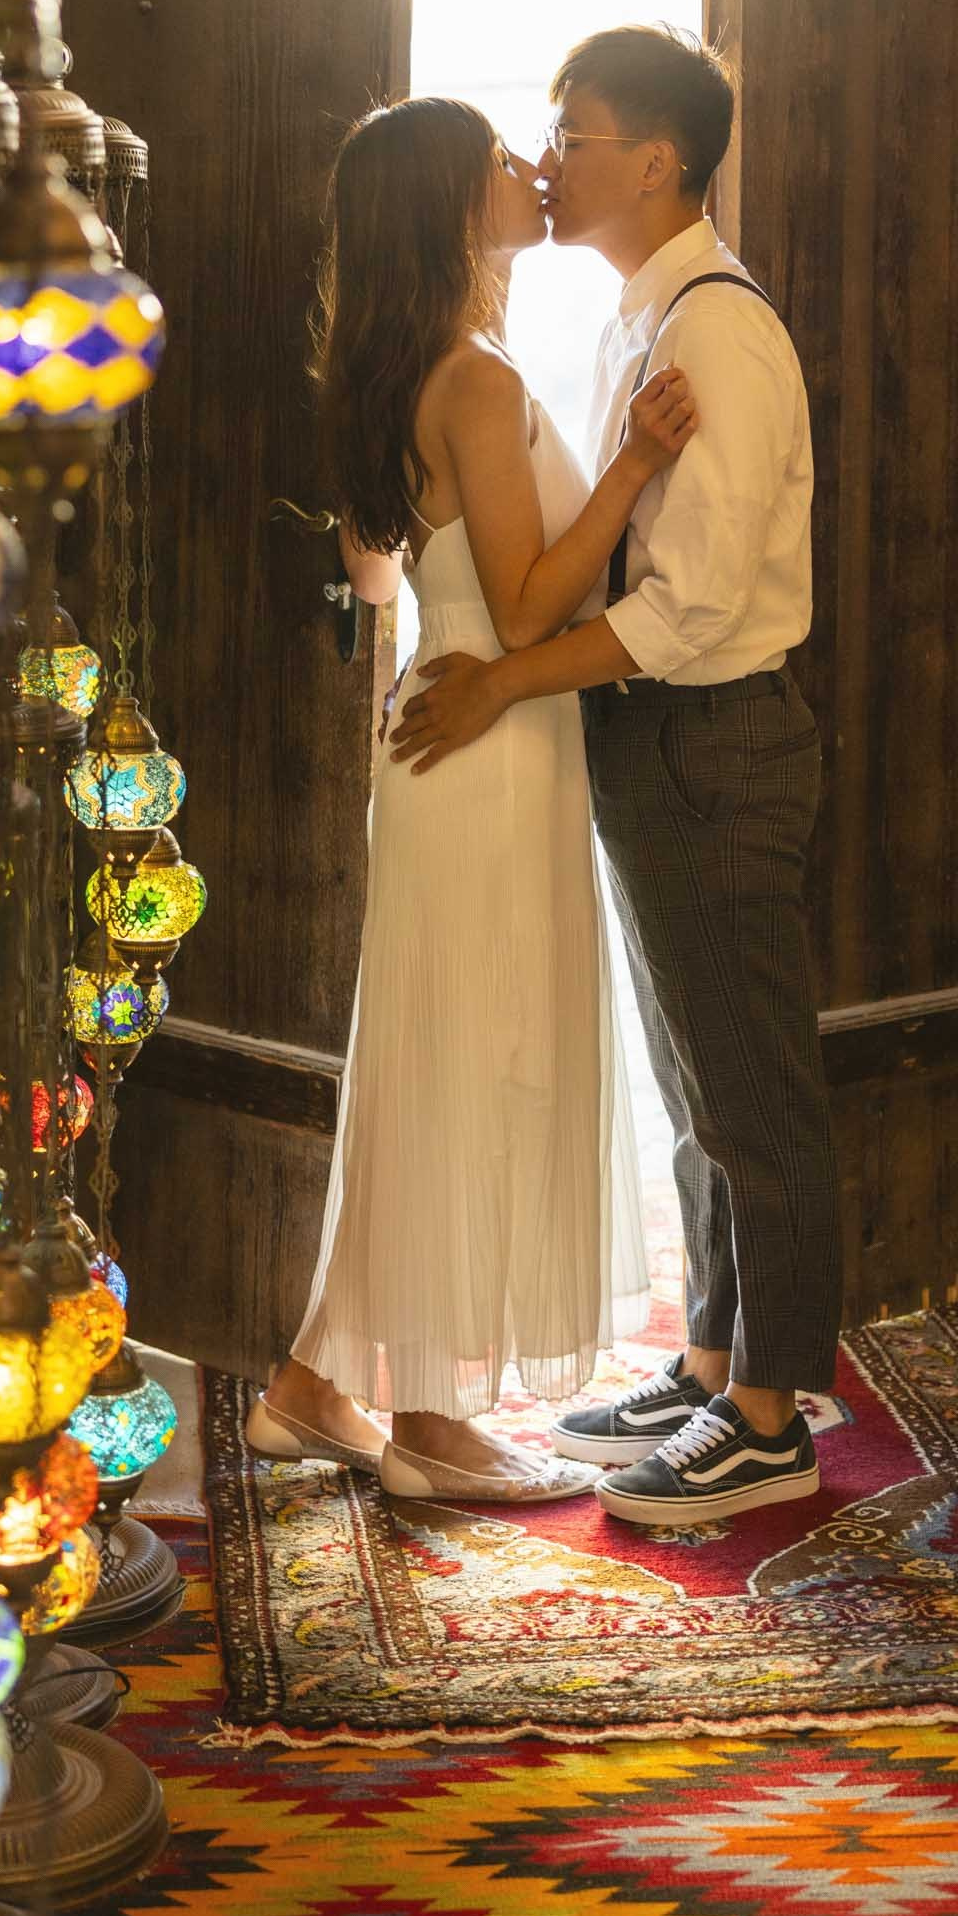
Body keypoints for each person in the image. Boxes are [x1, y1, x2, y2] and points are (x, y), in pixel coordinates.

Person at [390, 27, 839, 1530]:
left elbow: (691, 607)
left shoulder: (718, 333)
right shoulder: (637, 324)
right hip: (652, 740)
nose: (545, 155)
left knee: (755, 1089)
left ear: (652, 162)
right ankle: (711, 1360)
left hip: (718, 735)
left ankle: (769, 1418)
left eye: (570, 131)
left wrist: (504, 679)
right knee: (698, 1078)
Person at [247, 96, 697, 1502]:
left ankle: (314, 1383)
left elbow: (381, 573)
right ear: (450, 203)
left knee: (428, 1049)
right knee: (467, 1058)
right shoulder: (477, 379)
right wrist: (635, 463)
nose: (529, 169)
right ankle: (431, 1428)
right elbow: (525, 606)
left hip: (459, 735)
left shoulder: (408, 370)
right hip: (488, 742)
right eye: (502, 157)